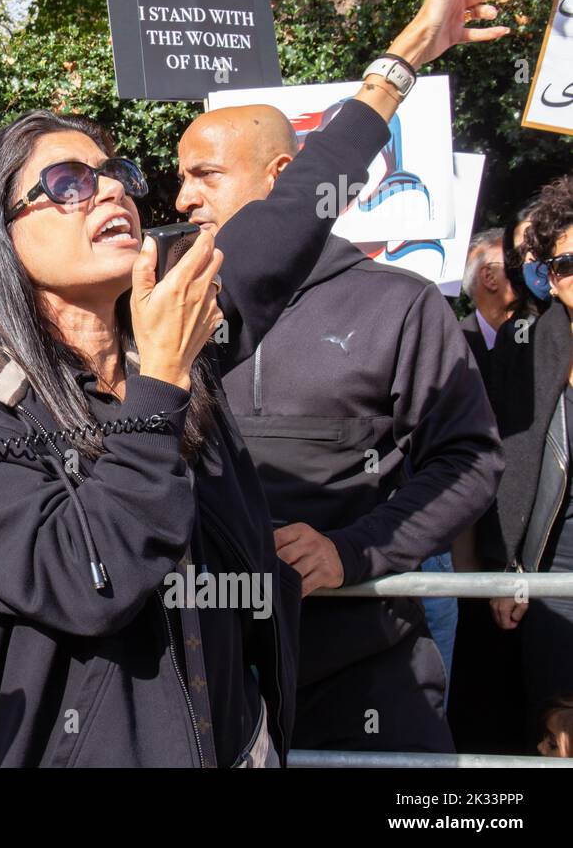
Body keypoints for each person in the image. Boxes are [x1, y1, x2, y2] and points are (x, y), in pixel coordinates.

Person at [0, 0, 520, 768]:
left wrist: (404, 58)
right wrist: (159, 388)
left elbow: (296, 203)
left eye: (114, 172)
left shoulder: (175, 328)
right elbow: (88, 579)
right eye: (69, 183)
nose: (113, 189)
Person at [186, 93, 501, 751]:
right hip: (210, 677)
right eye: (180, 178)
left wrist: (353, 551)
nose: (184, 197)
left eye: (206, 175)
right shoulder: (170, 312)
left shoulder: (398, 303)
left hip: (364, 668)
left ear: (284, 178)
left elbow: (468, 461)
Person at [476, 173, 573, 757]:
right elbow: (500, 464)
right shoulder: (528, 351)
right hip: (555, 571)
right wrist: (503, 566)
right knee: (561, 731)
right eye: (564, 264)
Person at [460, 227, 515, 374]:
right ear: (489, 277)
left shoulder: (541, 331)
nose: (527, 267)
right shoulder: (454, 347)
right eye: (515, 260)